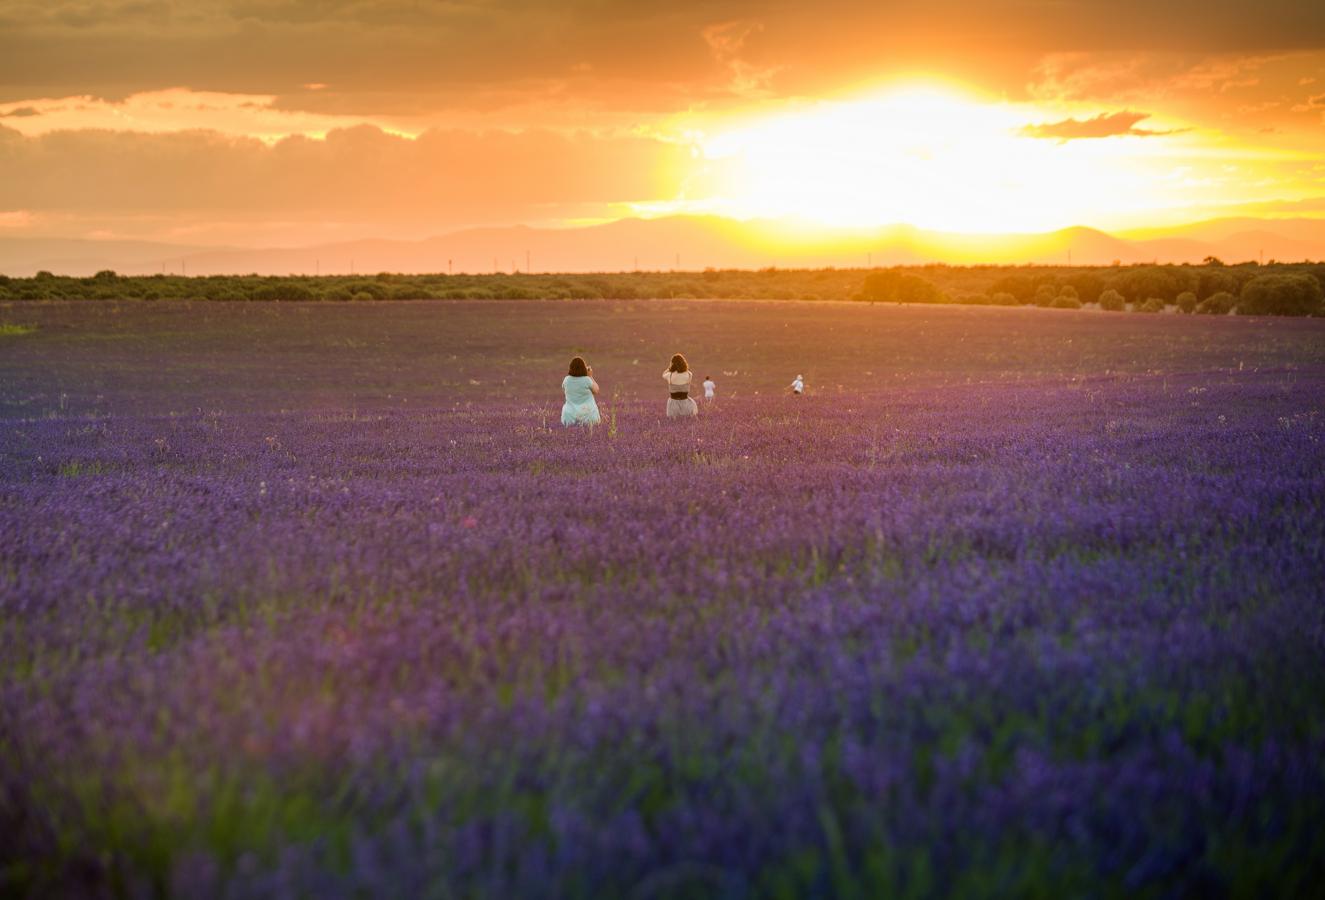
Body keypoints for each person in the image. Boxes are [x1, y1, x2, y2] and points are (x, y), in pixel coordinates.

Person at [561, 356, 601, 426]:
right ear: (584, 368)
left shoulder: (566, 380)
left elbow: (564, 390)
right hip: (588, 416)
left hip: (569, 417)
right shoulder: (587, 380)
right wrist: (590, 376)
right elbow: (596, 390)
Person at [663, 353, 698, 419]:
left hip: (673, 405)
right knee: (687, 423)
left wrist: (669, 368)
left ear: (672, 363)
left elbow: (663, 374)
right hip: (686, 404)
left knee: (673, 425)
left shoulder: (669, 375)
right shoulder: (689, 374)